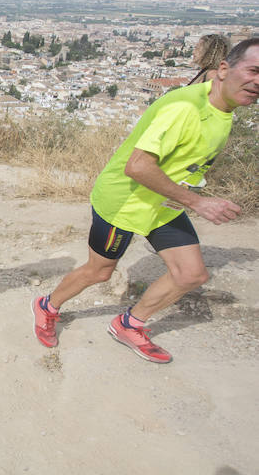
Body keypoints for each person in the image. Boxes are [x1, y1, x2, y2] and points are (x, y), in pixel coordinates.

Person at [32, 39, 259, 364]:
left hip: (163, 202)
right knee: (99, 272)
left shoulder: (220, 98)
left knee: (190, 275)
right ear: (223, 69)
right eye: (253, 71)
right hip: (124, 202)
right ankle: (47, 306)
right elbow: (137, 166)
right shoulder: (186, 109)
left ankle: (128, 324)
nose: (257, 82)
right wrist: (197, 202)